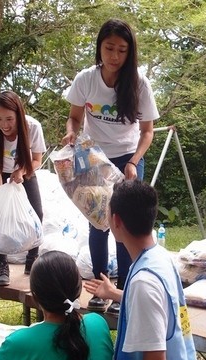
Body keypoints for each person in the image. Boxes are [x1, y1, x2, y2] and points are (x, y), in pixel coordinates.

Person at [85, 180, 199, 360]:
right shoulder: (159, 257)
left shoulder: (144, 282)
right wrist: (116, 294)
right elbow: (162, 307)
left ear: (116, 221)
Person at [61, 18, 159, 315]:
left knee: (126, 224)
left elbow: (147, 131)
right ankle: (100, 288)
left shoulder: (139, 84)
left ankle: (126, 290)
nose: (114, 56)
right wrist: (71, 131)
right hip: (93, 158)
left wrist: (133, 162)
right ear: (99, 48)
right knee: (98, 222)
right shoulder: (86, 79)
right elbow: (74, 117)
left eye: (122, 50)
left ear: (130, 53)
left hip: (127, 157)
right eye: (109, 48)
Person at [0, 90, 46, 285]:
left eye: (9, 119)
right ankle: (2, 267)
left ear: (19, 114)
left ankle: (31, 261)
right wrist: (1, 201)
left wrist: (21, 171)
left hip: (25, 169)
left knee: (37, 213)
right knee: (0, 217)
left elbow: (37, 160)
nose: (4, 125)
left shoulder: (32, 127)